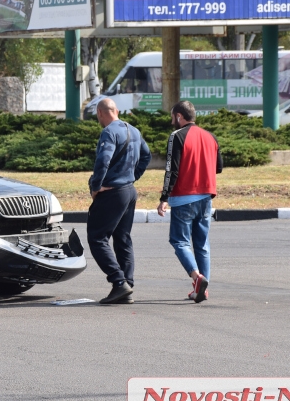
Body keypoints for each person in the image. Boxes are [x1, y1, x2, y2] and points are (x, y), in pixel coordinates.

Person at [156, 101, 223, 303]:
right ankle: (202, 289)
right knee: (202, 244)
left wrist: (164, 198)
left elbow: (171, 170)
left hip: (184, 197)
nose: (171, 121)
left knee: (179, 241)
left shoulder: (176, 137)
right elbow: (218, 167)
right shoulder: (211, 137)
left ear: (178, 116)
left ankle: (197, 278)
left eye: (172, 117)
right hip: (206, 197)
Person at [87, 98, 151, 304]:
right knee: (123, 238)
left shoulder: (109, 132)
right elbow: (146, 156)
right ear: (117, 110)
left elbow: (103, 161)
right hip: (129, 191)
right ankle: (127, 285)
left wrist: (95, 187)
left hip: (112, 192)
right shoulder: (134, 130)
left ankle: (118, 282)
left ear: (100, 113)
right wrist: (133, 176)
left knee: (97, 238)